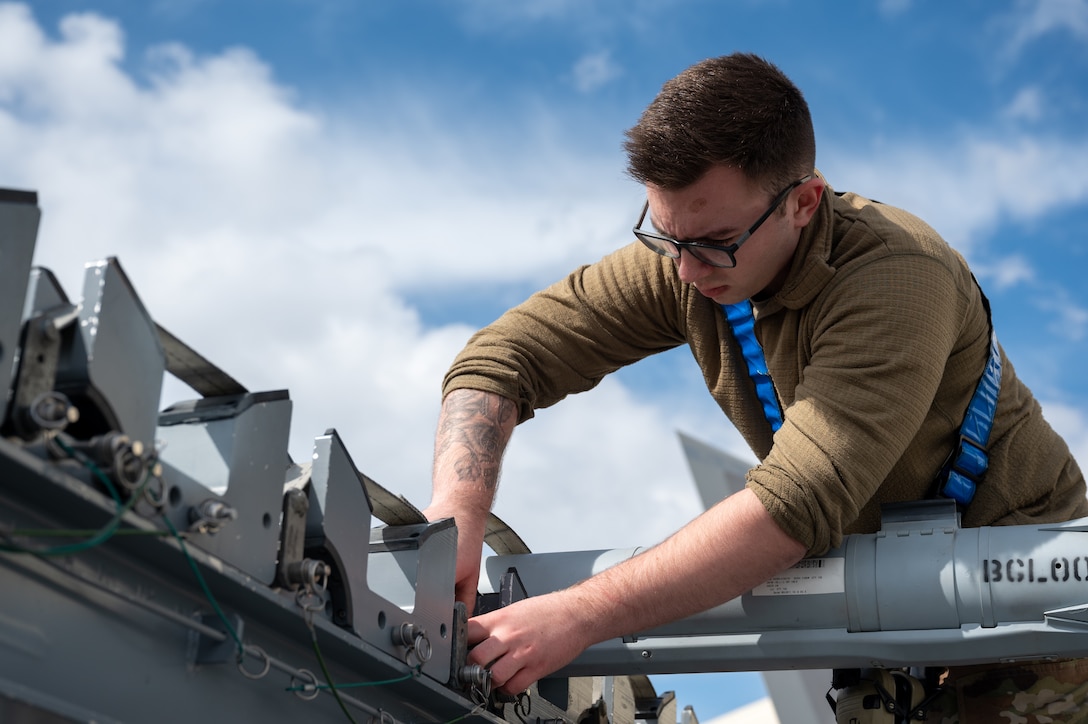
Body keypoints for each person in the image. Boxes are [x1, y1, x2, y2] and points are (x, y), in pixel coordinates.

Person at [422, 53, 1088, 722]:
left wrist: (579, 614)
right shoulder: (697, 257)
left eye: (713, 243)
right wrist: (456, 517)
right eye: (664, 235)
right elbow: (503, 356)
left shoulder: (895, 278)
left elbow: (793, 506)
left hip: (1028, 602)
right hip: (883, 608)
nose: (684, 271)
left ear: (803, 204)